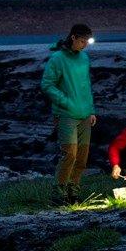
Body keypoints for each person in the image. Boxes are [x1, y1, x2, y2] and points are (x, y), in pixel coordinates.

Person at [40, 23, 96, 205]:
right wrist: (66, 102)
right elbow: (47, 85)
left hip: (85, 114)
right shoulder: (57, 59)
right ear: (73, 37)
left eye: (87, 41)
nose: (84, 45)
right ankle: (58, 193)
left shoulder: (84, 58)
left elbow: (86, 85)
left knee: (82, 155)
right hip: (66, 115)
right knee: (69, 154)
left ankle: (73, 192)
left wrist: (91, 110)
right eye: (82, 41)